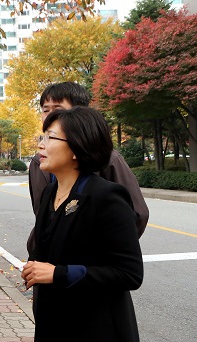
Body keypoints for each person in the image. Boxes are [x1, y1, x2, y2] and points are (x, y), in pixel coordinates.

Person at [21, 106, 144, 341]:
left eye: (50, 137)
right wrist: (34, 267)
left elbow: (129, 274)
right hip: (54, 322)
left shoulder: (107, 197)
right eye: (41, 136)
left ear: (77, 148)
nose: (40, 145)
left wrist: (58, 274)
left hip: (96, 327)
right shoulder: (50, 192)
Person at [27, 82, 149, 254]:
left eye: (57, 108)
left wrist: (97, 258)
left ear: (78, 113)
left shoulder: (109, 160)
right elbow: (42, 217)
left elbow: (137, 215)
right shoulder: (38, 164)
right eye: (45, 110)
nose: (50, 116)